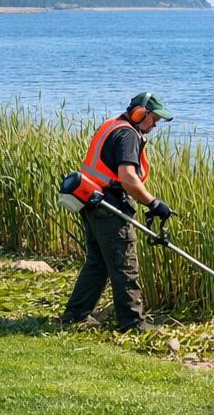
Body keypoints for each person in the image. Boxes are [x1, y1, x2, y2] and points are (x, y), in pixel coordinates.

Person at [60, 92, 177, 332]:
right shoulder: (127, 135)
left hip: (92, 202)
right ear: (139, 113)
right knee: (125, 265)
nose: (154, 125)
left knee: (98, 264)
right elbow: (127, 176)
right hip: (108, 206)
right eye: (153, 119)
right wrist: (153, 203)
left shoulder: (112, 125)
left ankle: (74, 315)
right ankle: (133, 323)